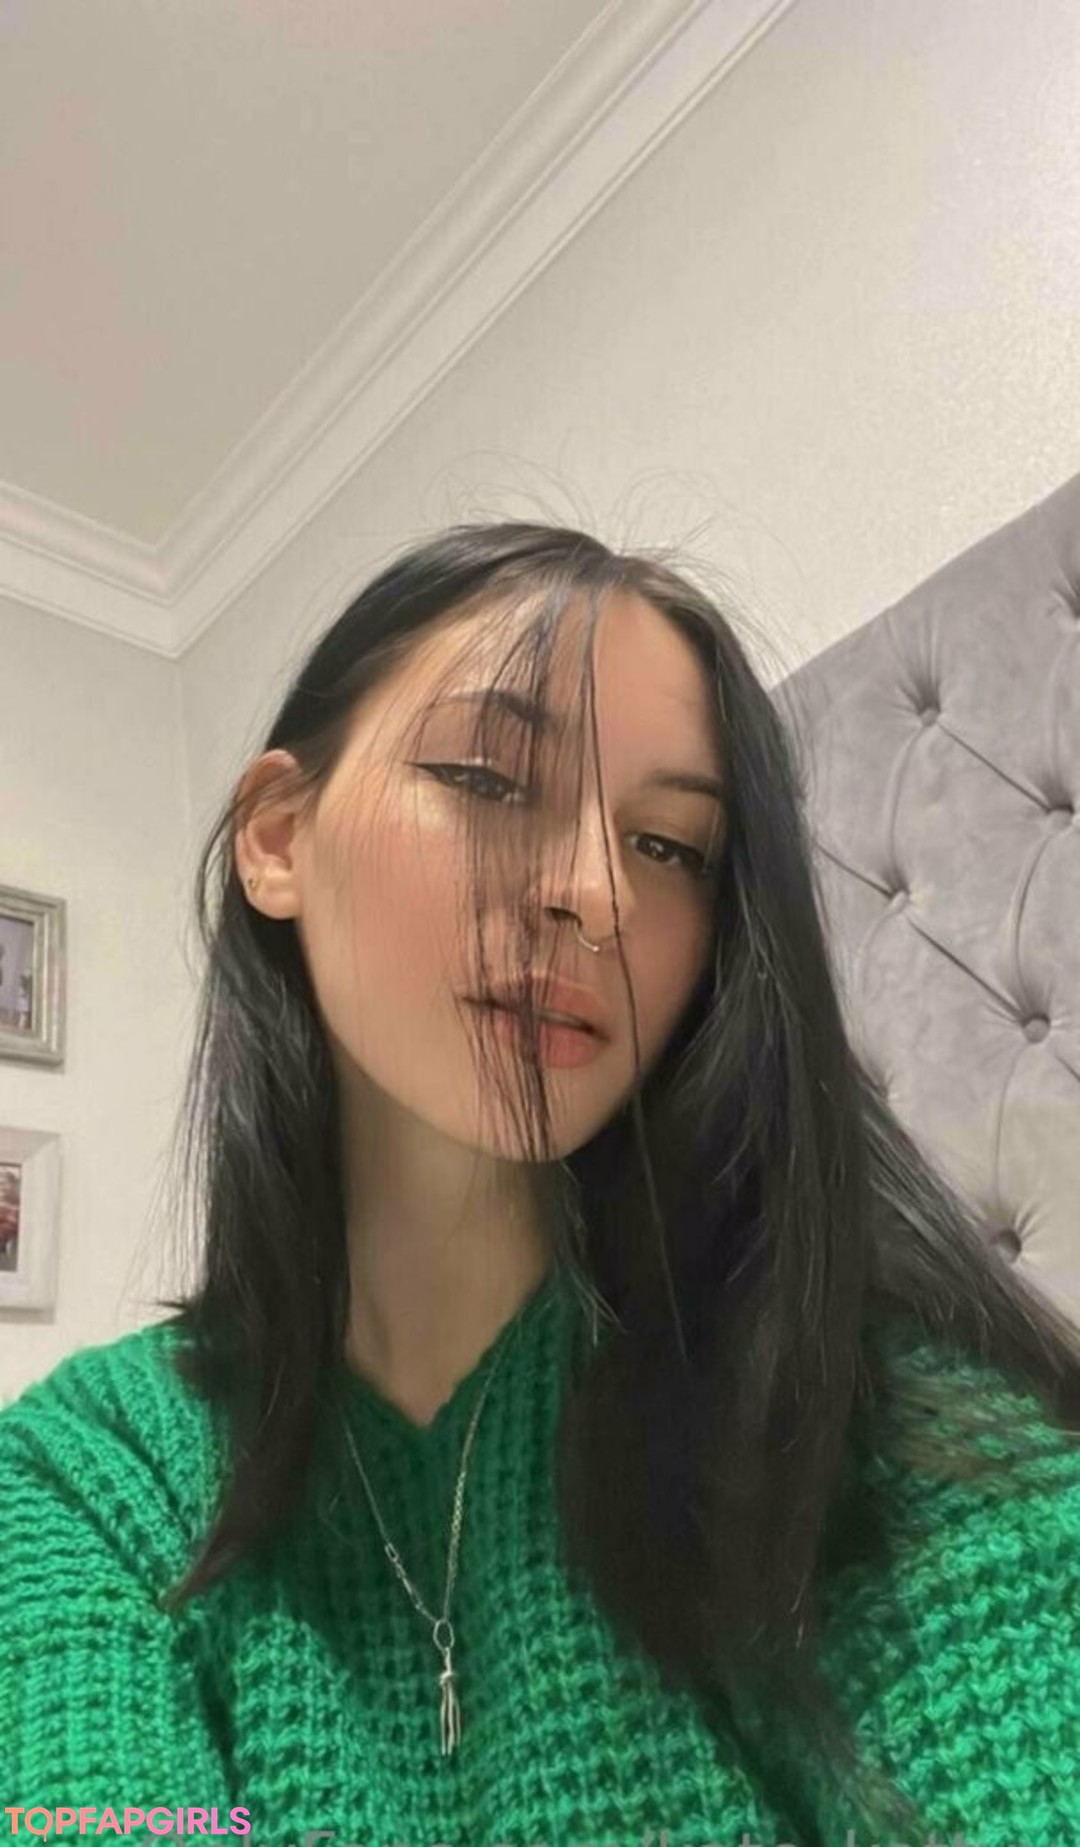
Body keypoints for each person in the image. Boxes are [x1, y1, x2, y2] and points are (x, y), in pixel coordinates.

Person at [2, 523, 1079, 1847]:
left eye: (670, 847)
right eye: (489, 777)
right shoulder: (89, 1471)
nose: (594, 895)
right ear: (278, 838)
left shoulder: (855, 1399)